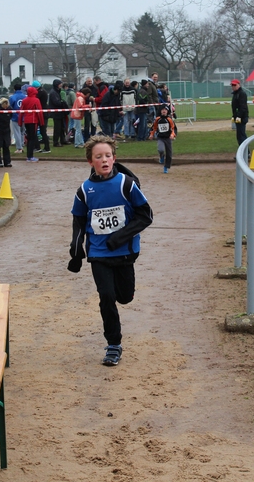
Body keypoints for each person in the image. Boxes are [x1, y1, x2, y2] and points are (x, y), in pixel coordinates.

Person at [67, 135, 153, 366]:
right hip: (99, 253)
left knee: (123, 297)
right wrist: (76, 251)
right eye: (98, 157)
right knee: (106, 296)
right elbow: (78, 222)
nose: (104, 160)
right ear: (90, 161)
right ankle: (113, 345)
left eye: (107, 155)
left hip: (125, 251)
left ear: (114, 158)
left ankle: (124, 294)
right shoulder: (84, 190)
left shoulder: (126, 184)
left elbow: (146, 215)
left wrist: (120, 237)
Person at [18, 85, 44, 162]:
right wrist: (42, 122)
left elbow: (21, 112)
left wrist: (20, 122)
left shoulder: (24, 100)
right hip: (33, 121)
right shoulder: (36, 100)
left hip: (26, 120)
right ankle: (30, 156)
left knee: (29, 138)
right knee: (32, 138)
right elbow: (39, 112)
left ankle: (28, 156)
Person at [150, 105, 177, 173]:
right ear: (160, 111)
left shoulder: (169, 119)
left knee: (169, 154)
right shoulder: (157, 119)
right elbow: (154, 128)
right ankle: (161, 156)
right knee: (160, 149)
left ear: (167, 111)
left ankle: (166, 167)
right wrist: (152, 134)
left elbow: (173, 128)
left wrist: (172, 135)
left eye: (165, 110)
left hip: (168, 138)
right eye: (162, 110)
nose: (164, 111)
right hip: (160, 138)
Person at [228, 79, 249, 147]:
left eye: (234, 85)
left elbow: (243, 107)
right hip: (238, 117)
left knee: (241, 135)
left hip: (241, 118)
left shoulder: (241, 94)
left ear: (238, 85)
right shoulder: (236, 94)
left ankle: (246, 151)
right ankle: (244, 150)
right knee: (239, 135)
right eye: (232, 85)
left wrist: (239, 116)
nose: (233, 86)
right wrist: (234, 116)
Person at [0, 98, 13, 167]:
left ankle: (7, 162)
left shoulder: (9, 109)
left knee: (6, 146)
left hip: (6, 129)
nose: (6, 106)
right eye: (5, 105)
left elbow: (11, 116)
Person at [49, 79, 68, 147]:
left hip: (60, 112)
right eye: (60, 84)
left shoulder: (57, 91)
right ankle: (56, 142)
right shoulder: (53, 92)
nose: (61, 85)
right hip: (56, 113)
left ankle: (63, 140)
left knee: (62, 127)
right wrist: (63, 103)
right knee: (57, 128)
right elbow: (56, 102)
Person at [9, 84, 26, 154]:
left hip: (15, 116)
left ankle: (19, 148)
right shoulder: (25, 96)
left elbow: (10, 107)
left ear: (14, 89)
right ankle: (21, 144)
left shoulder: (12, 97)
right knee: (22, 132)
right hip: (24, 116)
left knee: (17, 132)